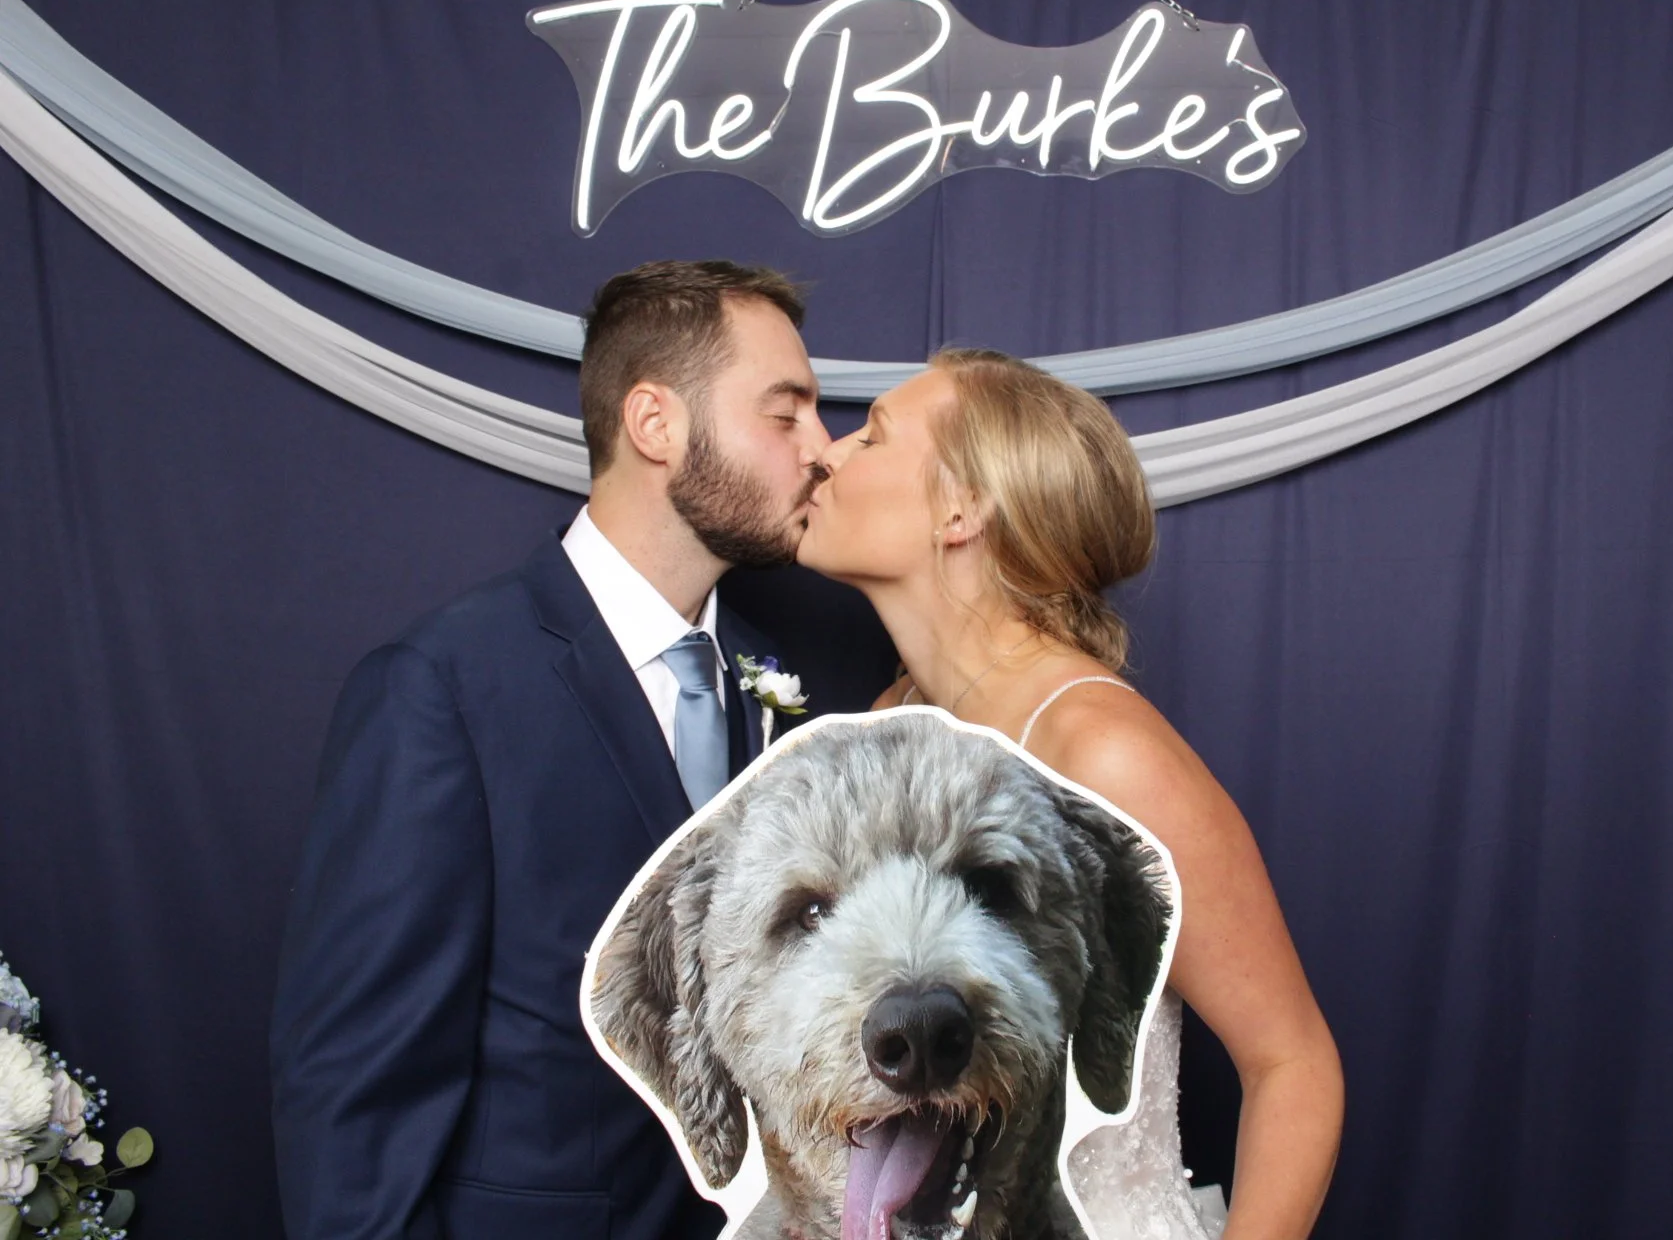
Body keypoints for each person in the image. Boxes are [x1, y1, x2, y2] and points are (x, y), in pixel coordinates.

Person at [269, 260, 830, 1240]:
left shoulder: (765, 682)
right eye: (786, 414)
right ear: (654, 424)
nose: (822, 450)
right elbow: (354, 1105)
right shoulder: (443, 689)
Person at [796, 348, 1343, 1240]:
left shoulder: (1102, 752)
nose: (827, 453)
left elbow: (1294, 1065)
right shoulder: (889, 724)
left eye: (873, 436)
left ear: (962, 508)